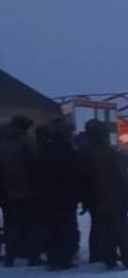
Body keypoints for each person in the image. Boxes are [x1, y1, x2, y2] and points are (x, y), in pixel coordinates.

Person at [79, 119, 128, 269]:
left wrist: (85, 198)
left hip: (95, 198)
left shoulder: (83, 153)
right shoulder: (110, 154)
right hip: (113, 197)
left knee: (102, 228)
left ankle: (107, 257)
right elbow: (120, 179)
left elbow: (82, 178)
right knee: (122, 230)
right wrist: (126, 198)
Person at [36, 119, 81, 269]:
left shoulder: (43, 151)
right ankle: (64, 257)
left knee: (51, 227)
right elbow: (76, 174)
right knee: (66, 227)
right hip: (66, 196)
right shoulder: (69, 152)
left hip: (47, 196)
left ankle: (53, 256)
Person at [0, 115, 41, 266]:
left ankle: (10, 256)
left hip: (7, 190)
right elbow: (35, 163)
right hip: (26, 188)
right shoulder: (26, 141)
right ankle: (32, 256)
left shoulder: (3, 141)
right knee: (29, 224)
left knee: (11, 223)